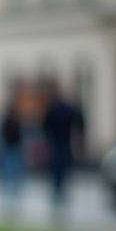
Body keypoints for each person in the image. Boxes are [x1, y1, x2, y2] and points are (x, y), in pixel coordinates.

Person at [41, 81, 85, 218]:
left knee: (57, 175)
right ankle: (61, 200)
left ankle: (57, 199)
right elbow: (80, 124)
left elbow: (45, 129)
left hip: (57, 145)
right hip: (64, 145)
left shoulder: (52, 109)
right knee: (63, 175)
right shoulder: (67, 108)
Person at [0, 95, 25, 215]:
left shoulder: (12, 121)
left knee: (12, 176)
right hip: (10, 149)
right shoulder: (10, 121)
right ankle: (9, 199)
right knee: (10, 175)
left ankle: (12, 199)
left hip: (12, 150)